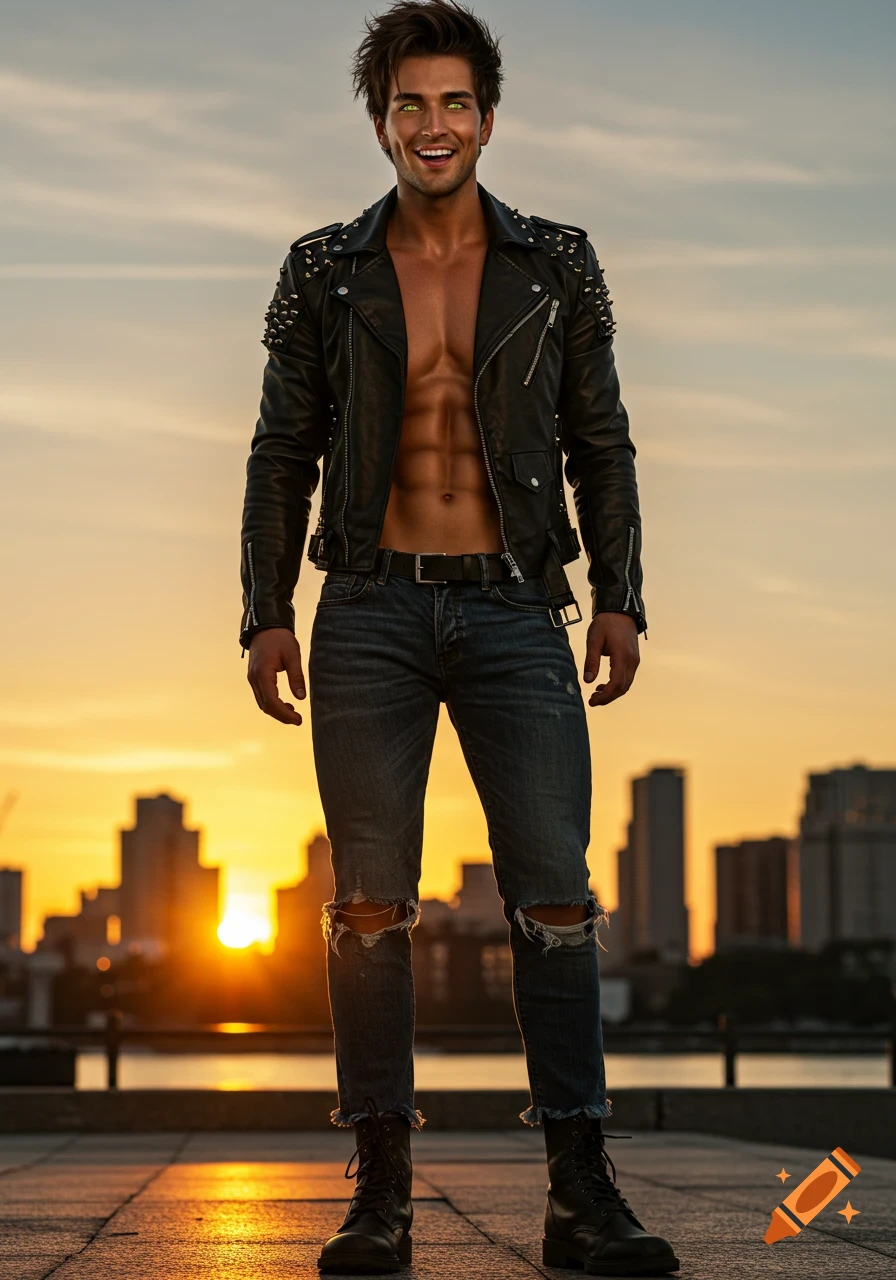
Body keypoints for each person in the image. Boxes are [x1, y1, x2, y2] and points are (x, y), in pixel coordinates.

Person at [239, 1, 678, 1274]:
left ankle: (578, 1190)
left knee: (554, 896)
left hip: (514, 602)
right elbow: (281, 449)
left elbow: (600, 440)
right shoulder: (322, 269)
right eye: (408, 104)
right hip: (367, 606)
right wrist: (265, 609)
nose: (432, 125)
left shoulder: (556, 263)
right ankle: (378, 1189)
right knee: (368, 909)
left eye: (453, 102)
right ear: (379, 121)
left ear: (486, 116)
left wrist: (620, 593)